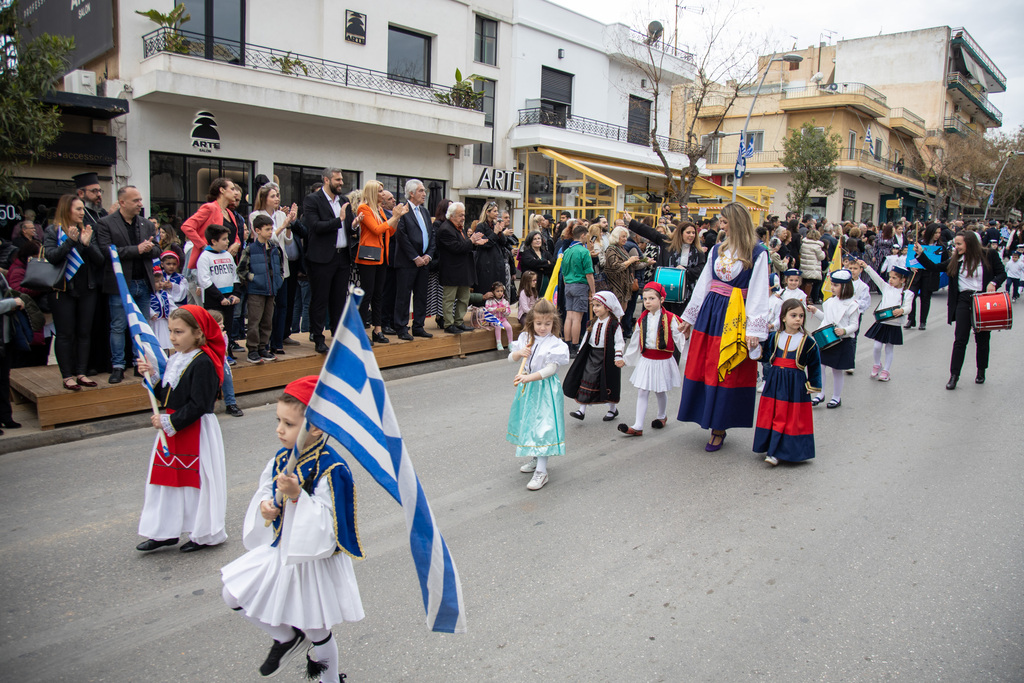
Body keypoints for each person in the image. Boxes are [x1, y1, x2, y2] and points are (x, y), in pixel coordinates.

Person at [220, 376, 364, 682]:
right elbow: (265, 490)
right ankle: (286, 637)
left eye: (288, 423)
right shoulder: (282, 458)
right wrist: (265, 507)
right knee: (232, 594)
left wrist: (298, 496)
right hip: (281, 550)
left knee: (317, 631)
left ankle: (329, 679)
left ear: (315, 427)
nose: (279, 429)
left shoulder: (331, 467)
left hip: (313, 561)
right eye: (278, 421)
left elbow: (331, 524)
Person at [677, 202, 771, 452]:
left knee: (726, 369)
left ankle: (719, 426)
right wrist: (689, 318)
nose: (721, 225)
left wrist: (754, 330)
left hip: (735, 315)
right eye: (721, 221)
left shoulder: (757, 252)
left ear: (737, 223)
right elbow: (704, 283)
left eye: (725, 221)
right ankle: (707, 417)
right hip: (711, 312)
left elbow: (760, 291)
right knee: (706, 364)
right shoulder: (717, 249)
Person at [135, 305, 228, 553]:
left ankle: (203, 533)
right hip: (175, 428)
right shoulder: (176, 359)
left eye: (179, 332)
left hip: (196, 430)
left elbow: (201, 404)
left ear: (198, 333)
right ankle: (164, 531)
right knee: (165, 481)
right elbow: (168, 397)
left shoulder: (204, 362)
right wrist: (152, 376)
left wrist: (170, 422)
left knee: (197, 483)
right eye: (170, 331)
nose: (173, 338)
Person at [914, 232, 1005, 389]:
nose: (956, 247)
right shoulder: (956, 259)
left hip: (983, 300)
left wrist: (994, 283)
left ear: (969, 243)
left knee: (982, 339)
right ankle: (954, 376)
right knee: (960, 339)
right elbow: (934, 267)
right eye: (955, 244)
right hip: (964, 299)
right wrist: (921, 253)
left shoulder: (989, 254)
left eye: (959, 244)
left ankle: (981, 371)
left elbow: (1002, 273)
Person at [96, 186, 158, 384]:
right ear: (122, 202)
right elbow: (107, 251)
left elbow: (156, 249)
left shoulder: (146, 224)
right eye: (136, 201)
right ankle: (118, 366)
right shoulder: (105, 223)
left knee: (143, 326)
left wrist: (148, 249)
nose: (141, 204)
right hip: (121, 283)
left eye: (140, 200)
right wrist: (137, 250)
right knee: (118, 325)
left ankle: (139, 362)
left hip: (144, 282)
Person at [43, 194, 105, 391]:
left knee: (84, 333)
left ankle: (81, 372)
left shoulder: (86, 230)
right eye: (78, 209)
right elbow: (52, 257)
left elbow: (99, 260)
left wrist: (86, 244)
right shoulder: (53, 231)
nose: (82, 212)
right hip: (63, 290)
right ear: (66, 210)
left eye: (82, 209)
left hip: (86, 288)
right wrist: (70, 242)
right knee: (65, 334)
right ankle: (67, 376)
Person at [507, 299, 570, 491]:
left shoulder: (555, 343)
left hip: (545, 389)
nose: (543, 328)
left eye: (548, 324)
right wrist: (519, 353)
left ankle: (542, 472)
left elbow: (551, 369)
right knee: (530, 424)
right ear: (532, 322)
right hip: (528, 388)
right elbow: (511, 358)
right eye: (539, 323)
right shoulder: (526, 337)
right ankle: (536, 458)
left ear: (554, 323)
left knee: (543, 427)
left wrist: (529, 378)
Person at [751, 298, 822, 466]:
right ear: (783, 317)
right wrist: (755, 349)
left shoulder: (808, 342)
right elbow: (767, 356)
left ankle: (777, 452)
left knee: (788, 418)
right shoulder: (775, 337)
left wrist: (813, 385)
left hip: (794, 386)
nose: (798, 319)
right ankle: (771, 447)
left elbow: (814, 364)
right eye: (793, 315)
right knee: (774, 415)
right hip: (775, 382)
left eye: (801, 316)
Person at [618, 282, 686, 437]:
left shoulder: (671, 318)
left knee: (660, 390)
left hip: (663, 360)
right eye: (645, 298)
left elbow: (680, 339)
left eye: (651, 298)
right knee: (642, 391)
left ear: (661, 299)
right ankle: (638, 425)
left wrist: (692, 357)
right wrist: (626, 359)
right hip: (647, 359)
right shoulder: (642, 319)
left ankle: (662, 416)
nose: (647, 301)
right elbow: (635, 341)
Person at [303, 168, 359, 354]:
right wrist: (339, 220)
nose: (341, 183)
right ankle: (318, 337)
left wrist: (354, 225)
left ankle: (338, 335)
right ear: (326, 180)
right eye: (337, 179)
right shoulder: (312, 200)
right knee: (320, 299)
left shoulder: (343, 201)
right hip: (321, 258)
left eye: (342, 179)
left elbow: (348, 228)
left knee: (338, 299)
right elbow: (315, 227)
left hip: (342, 256)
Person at [250, 183, 299, 353]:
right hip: (265, 267)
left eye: (278, 195)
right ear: (264, 198)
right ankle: (264, 343)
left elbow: (287, 241)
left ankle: (278, 342)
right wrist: (283, 224)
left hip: (281, 266)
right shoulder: (255, 215)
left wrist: (289, 224)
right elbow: (268, 239)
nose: (277, 198)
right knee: (267, 308)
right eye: (273, 196)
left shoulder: (280, 214)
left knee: (283, 306)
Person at [625, 216, 707, 317]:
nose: (691, 235)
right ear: (681, 233)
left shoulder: (698, 251)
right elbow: (650, 232)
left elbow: (701, 269)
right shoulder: (667, 243)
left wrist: (686, 271)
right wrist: (631, 222)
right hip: (663, 290)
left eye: (693, 233)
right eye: (688, 232)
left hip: (685, 294)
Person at [355, 181, 405, 345]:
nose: (383, 194)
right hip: (369, 257)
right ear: (372, 193)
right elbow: (377, 229)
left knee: (378, 295)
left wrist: (396, 218)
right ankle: (362, 331)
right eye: (380, 191)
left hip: (381, 257)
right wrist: (395, 216)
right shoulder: (364, 208)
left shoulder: (380, 210)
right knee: (367, 294)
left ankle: (378, 329)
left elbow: (389, 231)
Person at [563, 291, 624, 422]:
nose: (595, 308)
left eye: (598, 306)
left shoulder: (614, 324)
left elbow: (619, 342)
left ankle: (612, 409)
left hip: (606, 357)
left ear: (607, 307)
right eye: (594, 305)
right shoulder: (592, 323)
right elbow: (586, 338)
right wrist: (580, 352)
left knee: (607, 383)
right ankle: (581, 410)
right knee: (586, 379)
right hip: (592, 356)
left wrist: (618, 357)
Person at [807, 270, 859, 408]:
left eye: (836, 285)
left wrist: (844, 330)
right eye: (832, 284)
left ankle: (836, 397)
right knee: (820, 366)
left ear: (845, 286)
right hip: (826, 339)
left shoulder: (852, 305)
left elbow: (855, 325)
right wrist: (815, 311)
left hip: (842, 341)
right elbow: (827, 319)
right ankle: (820, 393)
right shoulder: (829, 302)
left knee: (837, 370)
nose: (832, 288)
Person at [238, 214, 284, 364]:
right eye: (267, 229)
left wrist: (278, 280)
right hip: (256, 291)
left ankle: (263, 347)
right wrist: (254, 279)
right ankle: (252, 349)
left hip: (271, 290)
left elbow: (280, 268)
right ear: (257, 230)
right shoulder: (251, 249)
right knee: (254, 321)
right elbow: (241, 270)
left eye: (271, 229)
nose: (270, 232)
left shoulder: (274, 249)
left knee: (267, 321)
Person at [393, 179, 435, 341]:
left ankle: (418, 325)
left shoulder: (424, 212)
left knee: (421, 295)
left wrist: (428, 256)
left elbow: (431, 236)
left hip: (424, 262)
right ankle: (401, 327)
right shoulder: (402, 210)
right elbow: (401, 236)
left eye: (424, 191)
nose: (424, 194)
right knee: (403, 296)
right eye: (421, 191)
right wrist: (415, 257)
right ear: (411, 193)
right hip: (407, 262)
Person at [859, 261, 914, 383]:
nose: (891, 280)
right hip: (882, 322)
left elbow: (908, 307)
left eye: (894, 278)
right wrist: (866, 266)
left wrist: (902, 310)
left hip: (894, 324)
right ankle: (876, 364)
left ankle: (886, 371)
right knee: (877, 346)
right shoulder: (886, 287)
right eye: (890, 277)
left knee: (889, 348)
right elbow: (875, 277)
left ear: (903, 280)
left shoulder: (907, 293)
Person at [436, 202, 485, 334]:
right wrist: (471, 241)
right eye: (460, 215)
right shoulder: (445, 229)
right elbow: (457, 248)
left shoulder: (459, 228)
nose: (463, 217)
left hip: (464, 270)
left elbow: (464, 246)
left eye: (464, 215)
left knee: (464, 298)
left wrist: (474, 243)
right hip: (451, 271)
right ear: (451, 215)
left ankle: (459, 321)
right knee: (449, 299)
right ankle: (448, 324)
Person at [180, 178, 244, 270]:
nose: (235, 193)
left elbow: (235, 233)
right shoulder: (210, 208)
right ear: (222, 190)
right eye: (232, 189)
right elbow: (187, 226)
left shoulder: (229, 213)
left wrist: (237, 244)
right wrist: (204, 246)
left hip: (227, 262)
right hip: (211, 262)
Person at [560, 223, 597, 356]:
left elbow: (563, 273)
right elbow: (589, 274)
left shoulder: (567, 251)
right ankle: (575, 346)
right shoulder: (584, 251)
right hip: (580, 284)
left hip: (568, 284)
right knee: (577, 318)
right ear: (583, 235)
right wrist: (593, 292)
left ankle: (568, 344)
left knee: (569, 316)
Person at [905, 224, 945, 330]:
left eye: (939, 233)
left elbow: (943, 263)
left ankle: (923, 321)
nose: (937, 235)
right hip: (917, 273)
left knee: (925, 298)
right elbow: (911, 257)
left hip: (930, 275)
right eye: (935, 232)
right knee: (911, 295)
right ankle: (911, 319)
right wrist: (911, 267)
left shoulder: (941, 246)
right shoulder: (920, 244)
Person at [207, 309, 243, 417]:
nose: (222, 326)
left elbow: (223, 351)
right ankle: (207, 406)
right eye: (219, 324)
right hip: (209, 363)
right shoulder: (204, 338)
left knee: (226, 375)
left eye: (222, 323)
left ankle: (231, 404)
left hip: (221, 362)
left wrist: (221, 338)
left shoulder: (224, 336)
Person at [601, 225, 641, 316]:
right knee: (615, 313)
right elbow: (615, 267)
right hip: (615, 286)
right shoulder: (611, 249)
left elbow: (626, 263)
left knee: (622, 311)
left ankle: (618, 328)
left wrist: (637, 262)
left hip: (623, 287)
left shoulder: (621, 248)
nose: (625, 239)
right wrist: (629, 261)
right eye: (623, 236)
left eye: (626, 236)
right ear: (616, 237)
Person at [471, 202, 509, 296]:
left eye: (497, 211)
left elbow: (504, 242)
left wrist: (500, 232)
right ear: (487, 212)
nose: (497, 213)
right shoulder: (481, 226)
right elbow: (484, 244)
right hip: (485, 263)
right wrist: (495, 233)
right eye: (494, 211)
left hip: (497, 262)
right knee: (486, 287)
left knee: (498, 288)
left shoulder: (495, 225)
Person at [844, 257, 871, 376]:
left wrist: (855, 304)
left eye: (855, 268)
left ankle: (850, 362)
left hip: (855, 314)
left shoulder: (863, 286)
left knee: (852, 337)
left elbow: (865, 302)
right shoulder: (843, 283)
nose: (853, 271)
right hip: (843, 314)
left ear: (860, 270)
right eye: (850, 268)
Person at [150, 266, 176, 352]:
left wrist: (175, 313)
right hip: (154, 322)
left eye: (161, 281)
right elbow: (146, 306)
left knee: (166, 342)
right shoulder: (148, 295)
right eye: (157, 282)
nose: (160, 283)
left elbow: (172, 306)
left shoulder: (165, 295)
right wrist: (151, 313)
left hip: (164, 322)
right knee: (155, 341)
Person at [485, 281, 514, 351]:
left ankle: (511, 343)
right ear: (493, 292)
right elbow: (487, 309)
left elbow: (508, 312)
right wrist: (496, 309)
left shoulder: (505, 301)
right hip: (493, 319)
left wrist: (505, 311)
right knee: (498, 326)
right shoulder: (490, 301)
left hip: (503, 319)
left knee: (509, 327)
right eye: (497, 291)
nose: (500, 293)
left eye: (501, 291)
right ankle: (499, 343)